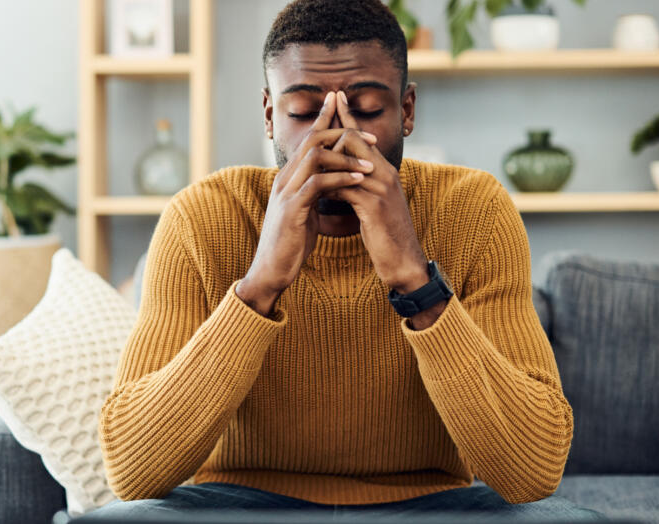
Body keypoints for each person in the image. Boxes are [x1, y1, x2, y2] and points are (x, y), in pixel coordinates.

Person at [78, 0, 605, 520]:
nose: (334, 136)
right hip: (235, 505)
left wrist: (413, 278)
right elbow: (132, 470)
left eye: (370, 108)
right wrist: (260, 285)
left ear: (407, 110)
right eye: (303, 112)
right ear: (268, 115)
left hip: (430, 504)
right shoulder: (201, 217)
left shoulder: (475, 211)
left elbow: (532, 472)